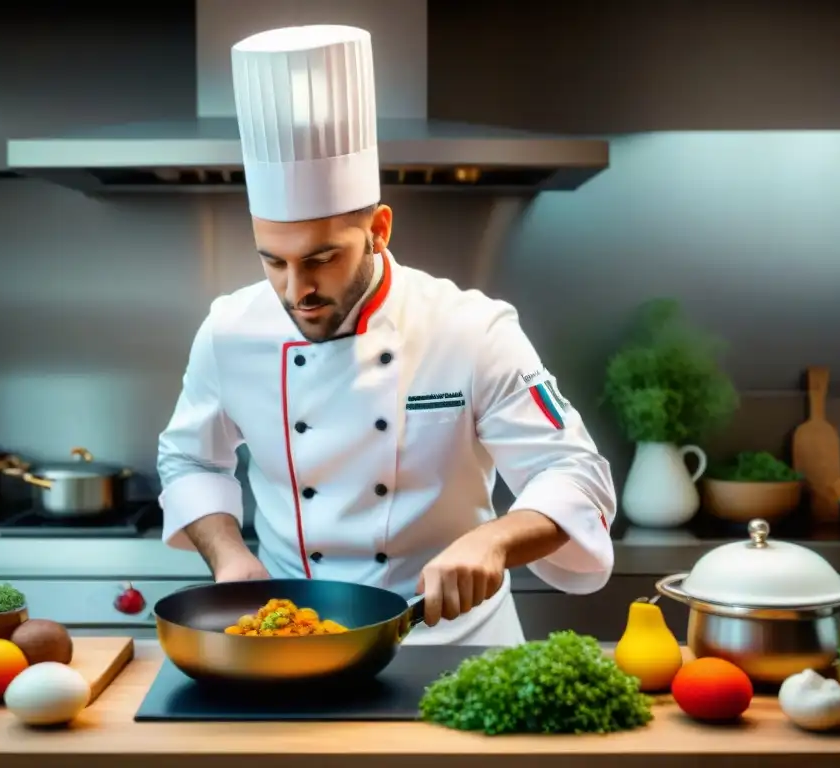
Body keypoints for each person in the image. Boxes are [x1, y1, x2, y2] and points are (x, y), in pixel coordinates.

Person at [157, 24, 616, 646]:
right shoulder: (229, 330)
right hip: (297, 639)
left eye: (321, 258)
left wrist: (493, 539)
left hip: (458, 641)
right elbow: (188, 458)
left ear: (379, 228)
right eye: (273, 261)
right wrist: (230, 559)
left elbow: (574, 472)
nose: (296, 290)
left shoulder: (471, 328)